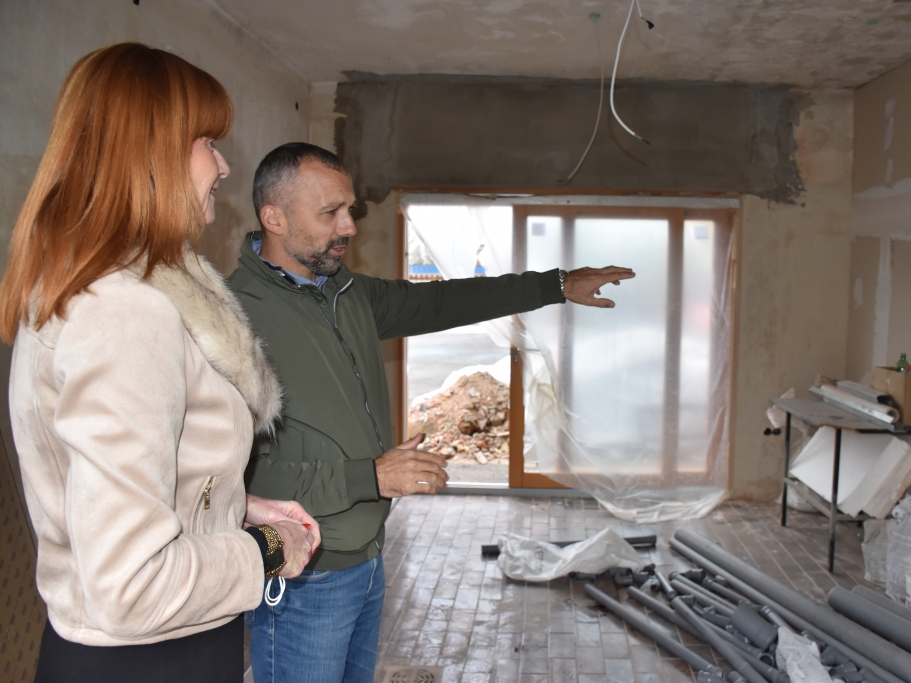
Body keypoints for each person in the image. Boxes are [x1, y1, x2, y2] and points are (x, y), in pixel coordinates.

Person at [226, 142, 634, 683]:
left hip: (366, 554)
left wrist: (555, 285)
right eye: (330, 213)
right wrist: (371, 476)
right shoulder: (234, 319)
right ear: (274, 218)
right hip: (303, 573)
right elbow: (237, 481)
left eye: (350, 209)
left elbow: (444, 302)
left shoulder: (346, 292)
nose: (349, 227)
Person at [0, 44, 321, 683]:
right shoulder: (123, 311)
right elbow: (131, 586)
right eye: (207, 142)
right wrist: (267, 548)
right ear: (151, 151)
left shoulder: (91, 289)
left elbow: (113, 493)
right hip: (151, 661)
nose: (222, 166)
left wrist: (235, 506)